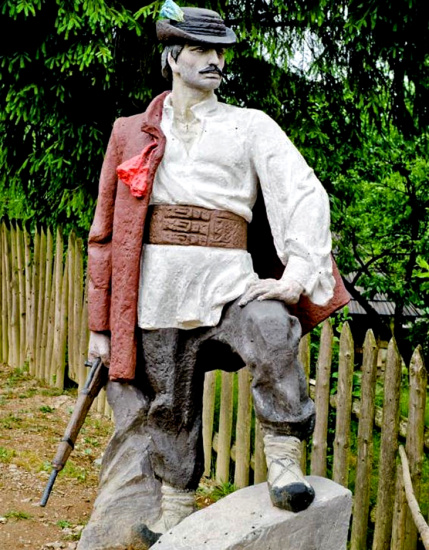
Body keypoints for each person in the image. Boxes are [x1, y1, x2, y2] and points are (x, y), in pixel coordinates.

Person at [85, 5, 349, 546]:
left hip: (230, 281)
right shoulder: (129, 132)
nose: (215, 60)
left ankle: (284, 463)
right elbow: (105, 235)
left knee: (273, 328)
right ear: (172, 58)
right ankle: (175, 508)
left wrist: (297, 273)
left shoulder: (249, 125)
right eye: (201, 49)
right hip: (158, 292)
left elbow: (303, 192)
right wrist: (100, 327)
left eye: (220, 51)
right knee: (169, 401)